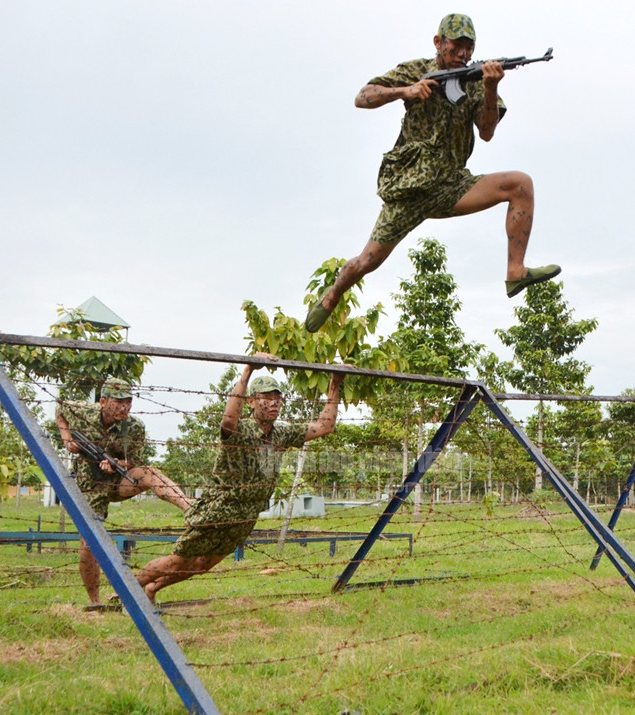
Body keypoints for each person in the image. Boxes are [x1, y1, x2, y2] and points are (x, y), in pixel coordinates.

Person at [305, 13, 561, 332]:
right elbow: (363, 97)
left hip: (452, 186)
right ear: (438, 42)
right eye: (456, 45)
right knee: (366, 262)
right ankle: (331, 298)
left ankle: (515, 271)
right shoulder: (415, 70)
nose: (463, 53)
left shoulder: (477, 80)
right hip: (409, 189)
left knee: (520, 185)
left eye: (469, 47)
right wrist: (406, 91)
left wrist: (491, 87)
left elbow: (486, 132)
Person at [136, 354, 344, 602]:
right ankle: (125, 588)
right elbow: (228, 419)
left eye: (278, 399)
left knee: (202, 565)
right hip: (219, 510)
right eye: (267, 398)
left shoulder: (281, 434)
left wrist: (335, 383)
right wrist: (248, 370)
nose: (274, 404)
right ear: (252, 402)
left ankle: (151, 589)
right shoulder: (240, 430)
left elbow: (325, 427)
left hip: (247, 514)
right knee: (179, 559)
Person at [55, 377, 193, 606]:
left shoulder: (134, 427)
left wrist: (118, 463)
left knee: (149, 473)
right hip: (90, 486)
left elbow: (135, 461)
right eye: (119, 402)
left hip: (119, 480)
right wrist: (67, 439)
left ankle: (188, 506)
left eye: (128, 402)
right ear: (103, 402)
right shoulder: (84, 411)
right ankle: (95, 602)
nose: (124, 407)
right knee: (89, 542)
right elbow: (60, 409)